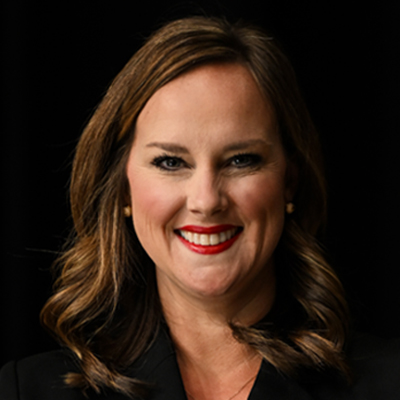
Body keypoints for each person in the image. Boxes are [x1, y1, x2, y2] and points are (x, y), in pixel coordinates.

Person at [1, 16, 399, 400]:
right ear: (122, 189)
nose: (206, 200)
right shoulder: (27, 389)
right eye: (171, 162)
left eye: (241, 160)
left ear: (289, 182)